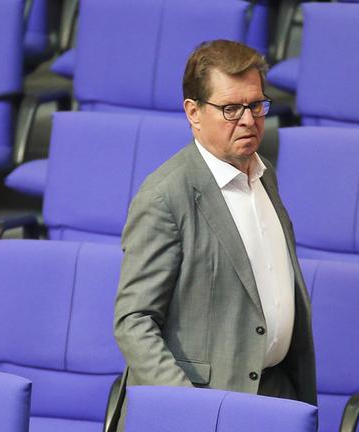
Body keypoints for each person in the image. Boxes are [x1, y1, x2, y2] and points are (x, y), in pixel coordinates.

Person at [113, 40, 317, 411]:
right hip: (208, 406)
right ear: (193, 112)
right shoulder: (164, 197)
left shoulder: (265, 174)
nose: (248, 120)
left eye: (256, 105)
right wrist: (188, 407)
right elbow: (134, 321)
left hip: (276, 392)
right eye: (230, 109)